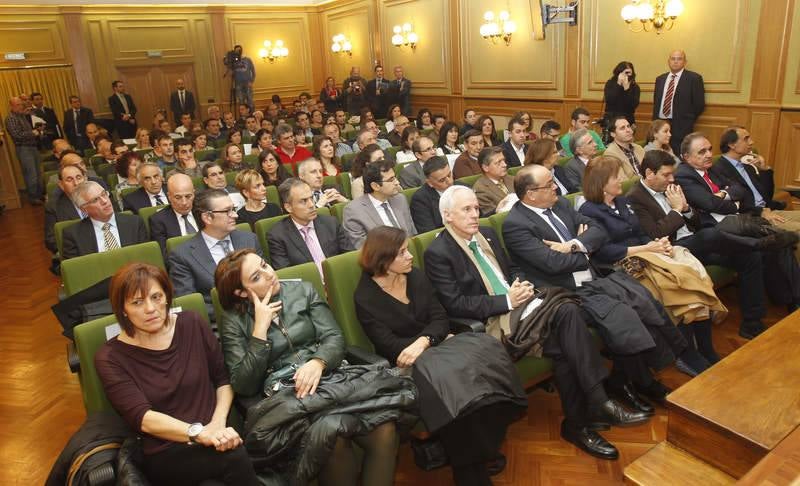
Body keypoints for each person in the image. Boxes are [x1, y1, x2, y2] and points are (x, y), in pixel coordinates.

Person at [424, 185, 652, 462]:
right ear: (447, 216)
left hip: (524, 307)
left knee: (565, 340)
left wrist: (521, 284)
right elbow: (456, 304)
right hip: (494, 323)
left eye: (476, 207)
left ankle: (580, 423)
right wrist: (507, 301)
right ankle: (597, 403)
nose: (476, 215)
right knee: (568, 312)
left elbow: (513, 268)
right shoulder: (438, 252)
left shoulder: (486, 234)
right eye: (467, 210)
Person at [214, 248, 411, 486]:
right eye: (256, 277)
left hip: (331, 378)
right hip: (290, 397)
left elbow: (334, 338)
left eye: (265, 265)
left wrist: (318, 362)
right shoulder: (234, 319)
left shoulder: (302, 289)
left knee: (385, 431)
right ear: (241, 293)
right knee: (332, 436)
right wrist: (259, 332)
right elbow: (244, 384)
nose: (269, 274)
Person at [355, 226, 528, 485]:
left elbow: (440, 317)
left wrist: (425, 341)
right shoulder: (366, 296)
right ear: (384, 260)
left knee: (487, 354)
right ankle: (472, 470)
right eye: (402, 253)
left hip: (431, 347)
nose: (410, 256)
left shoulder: (415, 276)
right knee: (459, 396)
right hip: (407, 364)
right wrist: (427, 343)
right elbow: (389, 345)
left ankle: (479, 453)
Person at [503, 165, 684, 410]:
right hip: (565, 293)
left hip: (593, 278)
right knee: (623, 314)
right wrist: (586, 252)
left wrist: (574, 245)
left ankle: (632, 379)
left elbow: (599, 231)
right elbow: (553, 264)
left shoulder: (561, 204)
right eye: (549, 184)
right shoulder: (516, 224)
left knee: (642, 298)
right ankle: (635, 381)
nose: (556, 186)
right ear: (531, 194)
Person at [94, 263, 258, 486]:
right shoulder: (110, 357)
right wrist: (199, 433)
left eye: (156, 297)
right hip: (166, 450)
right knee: (234, 455)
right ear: (123, 309)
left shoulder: (192, 323)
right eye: (137, 302)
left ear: (167, 296)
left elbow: (222, 379)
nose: (151, 309)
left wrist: (217, 424)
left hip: (217, 432)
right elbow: (143, 418)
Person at [578, 156, 725, 376]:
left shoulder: (621, 201)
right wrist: (646, 249)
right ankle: (686, 354)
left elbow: (640, 232)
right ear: (601, 183)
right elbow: (603, 251)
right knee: (677, 287)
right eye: (616, 177)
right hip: (619, 266)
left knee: (688, 272)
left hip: (646, 255)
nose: (621, 180)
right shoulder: (589, 211)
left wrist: (656, 243)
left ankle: (703, 348)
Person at [628, 149, 769, 351]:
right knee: (710, 234)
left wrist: (685, 209)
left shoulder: (672, 186)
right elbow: (655, 234)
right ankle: (755, 240)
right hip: (673, 250)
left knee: (750, 257)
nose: (672, 179)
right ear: (650, 173)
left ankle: (752, 323)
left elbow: (695, 221)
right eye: (666, 174)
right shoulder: (636, 197)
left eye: (672, 174)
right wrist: (677, 210)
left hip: (697, 244)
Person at [675, 132, 800, 332]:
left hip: (735, 221)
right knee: (760, 248)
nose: (709, 154)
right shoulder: (683, 175)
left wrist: (723, 194)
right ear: (687, 157)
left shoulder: (712, 169)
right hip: (714, 231)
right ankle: (754, 322)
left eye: (709, 149)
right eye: (702, 152)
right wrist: (731, 203)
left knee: (779, 244)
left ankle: (791, 299)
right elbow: (708, 203)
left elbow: (739, 189)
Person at [168, 188, 260, 318]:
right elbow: (192, 304)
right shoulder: (182, 256)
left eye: (233, 209)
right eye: (227, 211)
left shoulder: (249, 239)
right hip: (220, 323)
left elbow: (266, 278)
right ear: (207, 217)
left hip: (261, 311)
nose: (235, 215)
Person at [716, 125, 800, 230]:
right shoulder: (718, 169)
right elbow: (730, 203)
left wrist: (764, 170)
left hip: (769, 211)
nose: (752, 142)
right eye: (746, 139)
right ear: (732, 144)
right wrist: (761, 212)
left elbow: (767, 196)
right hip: (752, 218)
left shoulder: (748, 166)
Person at [268, 178, 351, 272]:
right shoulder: (278, 236)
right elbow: (288, 276)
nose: (312, 205)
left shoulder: (331, 223)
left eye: (311, 198)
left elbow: (350, 257)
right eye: (303, 201)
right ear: (288, 207)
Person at [62, 181, 148, 260]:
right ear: (83, 209)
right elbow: (75, 271)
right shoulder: (73, 235)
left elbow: (146, 258)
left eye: (104, 194)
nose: (104, 201)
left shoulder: (134, 223)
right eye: (95, 200)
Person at [343, 159, 417, 248]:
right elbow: (364, 249)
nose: (397, 182)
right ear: (375, 186)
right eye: (391, 180)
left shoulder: (400, 199)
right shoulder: (354, 211)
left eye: (395, 177)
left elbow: (412, 234)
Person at [653, 50, 705, 155]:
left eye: (679, 59)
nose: (675, 62)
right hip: (660, 124)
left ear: (685, 62)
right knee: (659, 155)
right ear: (668, 61)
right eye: (673, 59)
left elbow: (699, 104)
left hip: (682, 126)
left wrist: (688, 119)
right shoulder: (660, 79)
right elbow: (656, 101)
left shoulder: (694, 78)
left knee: (678, 156)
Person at [149, 172, 198, 256]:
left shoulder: (204, 210)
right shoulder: (158, 220)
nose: (184, 202)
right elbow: (165, 255)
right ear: (169, 197)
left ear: (194, 193)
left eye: (188, 196)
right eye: (178, 197)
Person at [5, 96, 43, 204]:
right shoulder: (11, 118)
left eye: (21, 104)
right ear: (11, 106)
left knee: (37, 173)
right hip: (24, 149)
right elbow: (17, 135)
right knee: (31, 174)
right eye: (18, 105)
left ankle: (39, 195)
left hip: (32, 147)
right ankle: (33, 197)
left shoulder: (22, 116)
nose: (21, 106)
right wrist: (33, 133)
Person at [44, 164, 86, 254]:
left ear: (85, 179)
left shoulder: (100, 198)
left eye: (79, 177)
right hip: (77, 253)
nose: (76, 183)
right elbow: (51, 241)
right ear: (61, 185)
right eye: (69, 179)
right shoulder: (53, 206)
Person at [410, 156, 455, 233]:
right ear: (430, 183)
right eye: (442, 180)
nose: (450, 181)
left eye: (449, 175)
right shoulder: (420, 200)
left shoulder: (463, 188)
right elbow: (430, 232)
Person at [473, 146, 515, 216]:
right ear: (485, 168)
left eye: (504, 160)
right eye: (498, 162)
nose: (505, 165)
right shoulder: (480, 190)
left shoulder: (513, 179)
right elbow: (493, 219)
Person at [603, 61, 640, 128]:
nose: (627, 75)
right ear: (619, 73)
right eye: (625, 72)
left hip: (627, 120)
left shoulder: (635, 87)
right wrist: (618, 84)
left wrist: (627, 89)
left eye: (629, 73)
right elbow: (609, 100)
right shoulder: (610, 83)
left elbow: (633, 105)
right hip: (611, 120)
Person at [228, 45, 255, 110]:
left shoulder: (247, 59)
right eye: (236, 50)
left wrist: (251, 81)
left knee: (250, 100)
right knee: (241, 100)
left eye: (239, 50)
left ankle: (252, 113)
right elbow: (231, 73)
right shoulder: (233, 61)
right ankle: (243, 115)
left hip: (247, 82)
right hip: (238, 84)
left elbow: (253, 71)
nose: (238, 51)